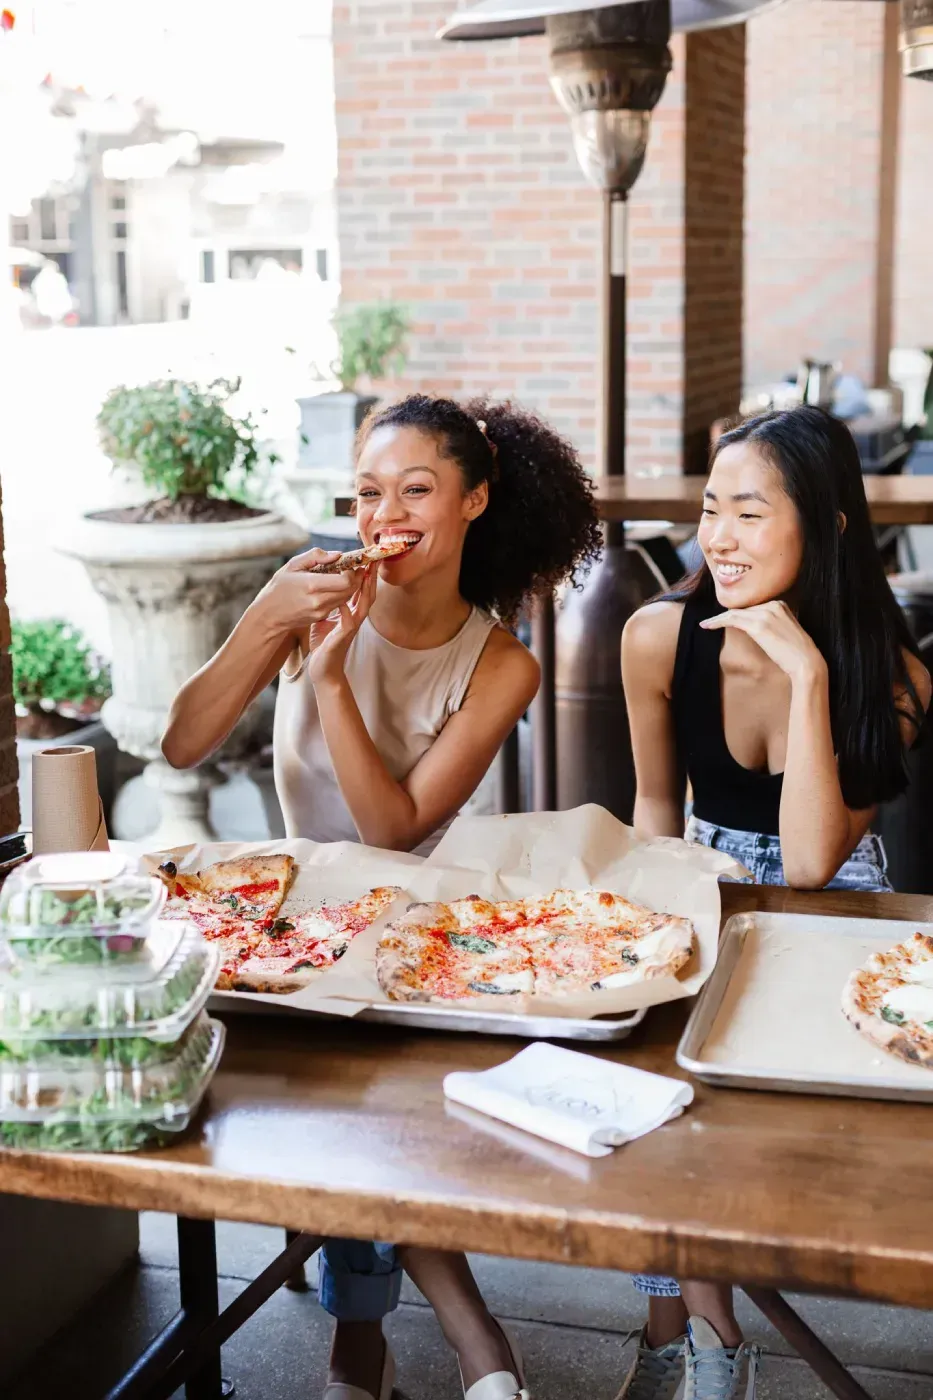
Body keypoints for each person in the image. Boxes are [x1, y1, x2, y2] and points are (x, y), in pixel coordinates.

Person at [163, 391, 601, 1400]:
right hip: (284, 922)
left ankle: (375, 1347)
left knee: (355, 1118)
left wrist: (329, 682)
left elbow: (394, 828)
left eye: (417, 489)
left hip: (421, 937)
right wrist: (271, 617)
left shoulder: (502, 663)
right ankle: (466, 1341)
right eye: (367, 492)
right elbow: (182, 742)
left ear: (476, 500)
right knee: (341, 1118)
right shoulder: (310, 600)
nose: (385, 515)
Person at [618, 405, 931, 1400]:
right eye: (711, 510)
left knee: (727, 1138)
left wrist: (806, 673)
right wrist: (646, 939)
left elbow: (806, 865)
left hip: (838, 930)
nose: (719, 538)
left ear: (830, 524)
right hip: (702, 892)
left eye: (750, 513)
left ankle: (690, 1332)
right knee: (658, 1095)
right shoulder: (658, 635)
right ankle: (698, 1335)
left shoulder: (893, 673)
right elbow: (658, 810)